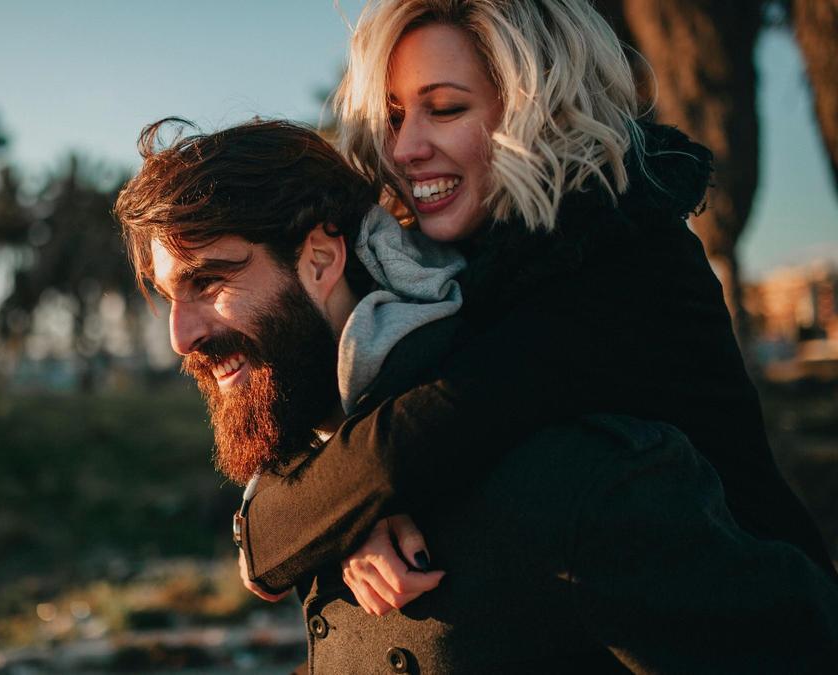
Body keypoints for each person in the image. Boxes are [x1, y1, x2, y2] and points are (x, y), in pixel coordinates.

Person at [113, 118, 838, 672]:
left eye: (211, 280)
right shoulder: (321, 467)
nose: (179, 335)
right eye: (170, 293)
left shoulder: (565, 475)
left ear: (323, 257)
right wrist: (328, 505)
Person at [230, 0, 838, 620]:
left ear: (539, 113)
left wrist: (342, 511)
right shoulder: (448, 264)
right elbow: (358, 444)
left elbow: (406, 442)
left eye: (445, 109)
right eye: (391, 117)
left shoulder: (621, 255)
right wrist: (348, 514)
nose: (405, 147)